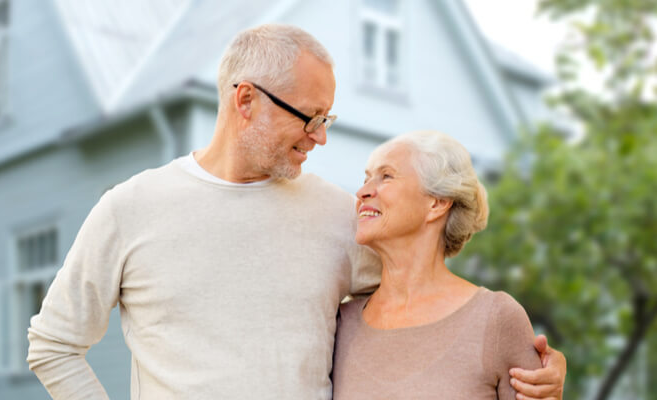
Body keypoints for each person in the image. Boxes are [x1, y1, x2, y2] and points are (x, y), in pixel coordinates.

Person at [28, 24, 565, 399]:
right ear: (246, 102)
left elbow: (429, 301)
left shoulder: (339, 217)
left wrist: (535, 369)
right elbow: (53, 344)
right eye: (310, 118)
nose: (322, 138)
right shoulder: (130, 209)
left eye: (328, 118)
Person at [333, 131, 554, 399]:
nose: (362, 191)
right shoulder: (340, 323)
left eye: (386, 176)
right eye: (365, 178)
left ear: (436, 203)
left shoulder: (496, 319)